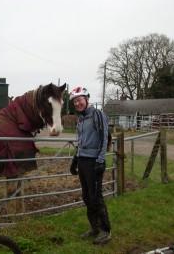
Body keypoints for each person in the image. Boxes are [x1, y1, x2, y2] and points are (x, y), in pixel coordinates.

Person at [69, 86, 111, 245]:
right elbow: (81, 141)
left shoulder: (97, 115)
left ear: (86, 99)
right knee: (87, 196)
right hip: (83, 161)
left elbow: (104, 137)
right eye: (74, 101)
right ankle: (94, 228)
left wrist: (100, 160)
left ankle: (105, 231)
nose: (77, 103)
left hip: (94, 162)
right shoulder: (80, 119)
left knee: (96, 197)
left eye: (79, 100)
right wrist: (75, 159)